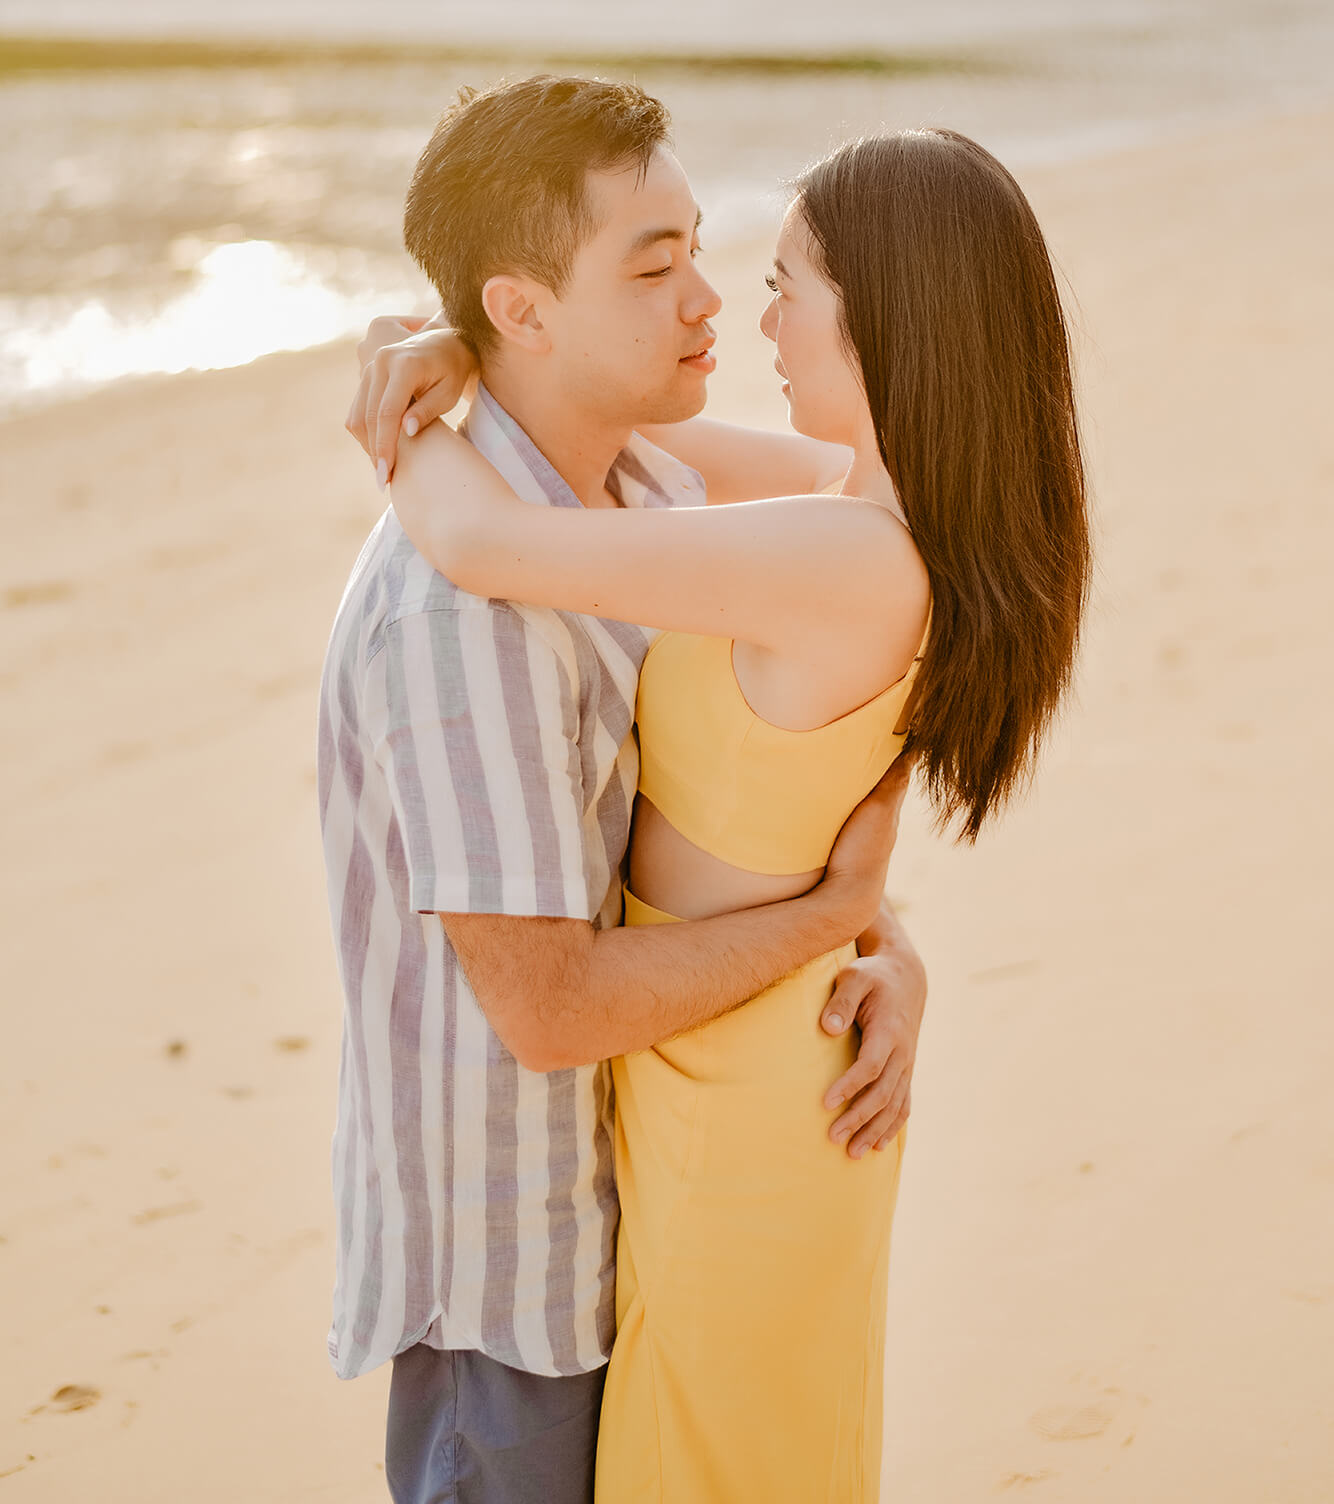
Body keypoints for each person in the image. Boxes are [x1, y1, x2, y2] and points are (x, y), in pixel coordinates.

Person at [355, 103, 1091, 1501]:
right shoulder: (857, 506)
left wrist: (398, 404)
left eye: (781, 286)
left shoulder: (843, 554)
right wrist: (478, 351)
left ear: (884, 315)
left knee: (715, 1458)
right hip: (727, 1041)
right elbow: (630, 455)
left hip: (735, 1091)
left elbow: (491, 540)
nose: (750, 320)